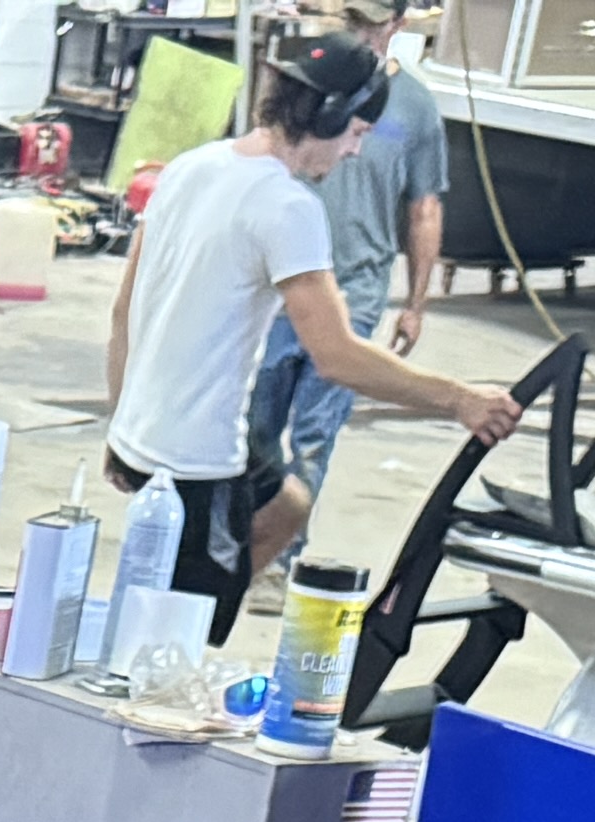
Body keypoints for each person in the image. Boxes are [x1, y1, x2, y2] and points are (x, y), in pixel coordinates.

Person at [100, 29, 514, 619]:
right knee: (167, 633)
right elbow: (337, 356)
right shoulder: (288, 208)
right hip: (196, 461)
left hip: (146, 436)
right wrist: (459, 399)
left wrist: (121, 428)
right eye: (357, 133)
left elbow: (124, 311)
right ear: (330, 117)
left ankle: (203, 605)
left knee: (288, 505)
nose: (354, 152)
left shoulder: (191, 167)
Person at [247, 0, 449, 523]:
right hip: (284, 284)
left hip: (354, 289)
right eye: (353, 21)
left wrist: (415, 305)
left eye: (372, 24)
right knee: (255, 429)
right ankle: (240, 539)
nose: (361, 33)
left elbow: (424, 208)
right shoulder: (313, 82)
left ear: (398, 25)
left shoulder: (415, 106)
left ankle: (282, 553)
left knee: (315, 434)